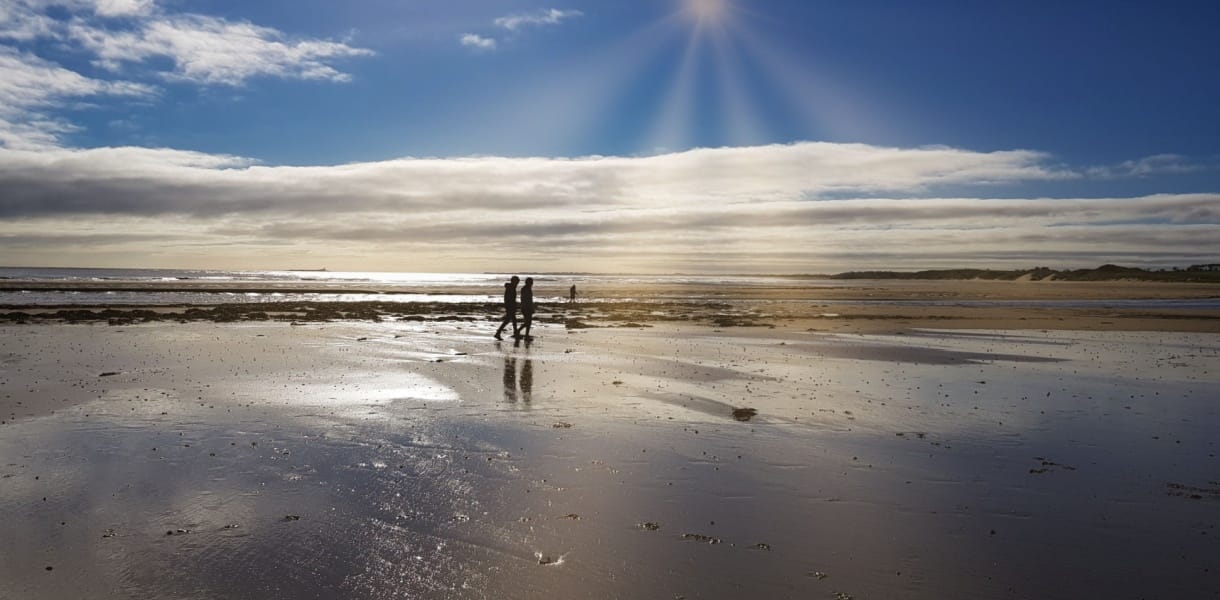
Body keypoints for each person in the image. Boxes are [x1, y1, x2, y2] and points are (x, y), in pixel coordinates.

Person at [494, 275, 520, 340]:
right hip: (510, 305)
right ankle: (498, 332)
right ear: (514, 281)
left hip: (510, 305)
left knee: (511, 320)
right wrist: (511, 305)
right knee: (510, 320)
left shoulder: (511, 287)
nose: (517, 283)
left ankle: (515, 333)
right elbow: (509, 298)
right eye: (517, 282)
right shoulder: (511, 288)